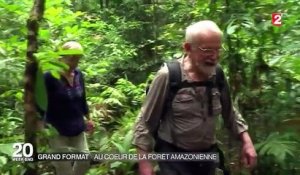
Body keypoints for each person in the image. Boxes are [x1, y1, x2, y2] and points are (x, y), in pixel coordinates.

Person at [132, 20, 257, 175]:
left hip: (207, 158)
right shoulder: (169, 76)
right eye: (207, 50)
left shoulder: (217, 75)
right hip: (174, 159)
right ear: (188, 48)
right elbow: (144, 123)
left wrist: (246, 141)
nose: (214, 56)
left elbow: (230, 111)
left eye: (218, 49)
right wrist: (145, 167)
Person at [42, 41, 94, 175]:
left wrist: (88, 118)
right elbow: (40, 103)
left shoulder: (78, 74)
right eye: (72, 58)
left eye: (78, 59)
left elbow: (82, 98)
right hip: (57, 129)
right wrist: (40, 127)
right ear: (61, 57)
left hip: (77, 126)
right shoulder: (49, 77)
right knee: (63, 168)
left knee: (84, 159)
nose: (75, 62)